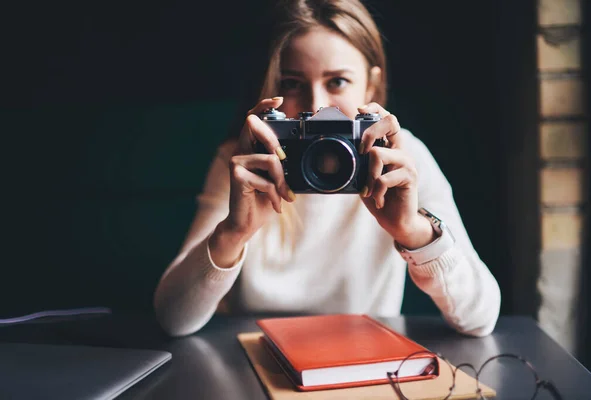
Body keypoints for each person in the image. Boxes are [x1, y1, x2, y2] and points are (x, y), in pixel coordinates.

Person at [153, 0, 501, 337]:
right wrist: (234, 232)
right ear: (273, 87)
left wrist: (414, 231)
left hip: (364, 361)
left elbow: (481, 318)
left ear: (371, 84)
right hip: (259, 357)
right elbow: (173, 319)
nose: (317, 106)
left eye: (337, 82)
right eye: (292, 84)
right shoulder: (248, 162)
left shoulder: (402, 156)